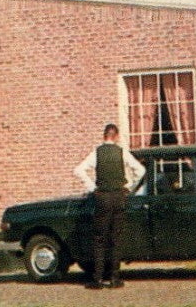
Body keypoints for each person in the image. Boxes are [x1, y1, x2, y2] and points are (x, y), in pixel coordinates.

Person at [74, 123, 143, 288]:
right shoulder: (122, 153)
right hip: (119, 197)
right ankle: (114, 278)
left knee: (99, 239)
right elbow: (140, 170)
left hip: (102, 197)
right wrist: (129, 186)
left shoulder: (96, 153)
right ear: (117, 136)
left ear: (104, 136)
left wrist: (93, 188)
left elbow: (79, 170)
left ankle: (97, 279)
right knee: (115, 238)